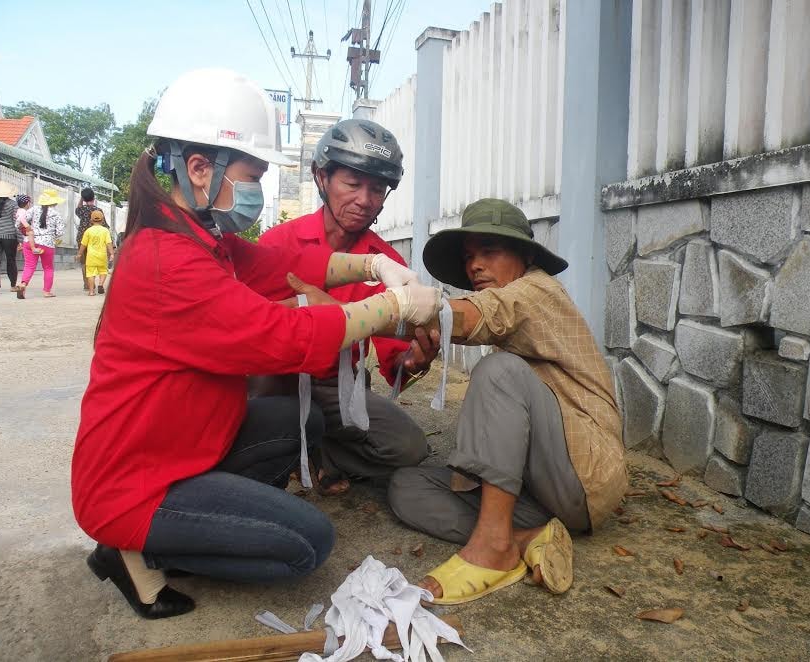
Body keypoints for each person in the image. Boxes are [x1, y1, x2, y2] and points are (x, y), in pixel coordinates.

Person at [71, 68, 441, 620]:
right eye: (252, 174)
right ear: (200, 168)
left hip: (180, 443)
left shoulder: (199, 233)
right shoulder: (166, 260)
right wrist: (388, 307)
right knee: (306, 544)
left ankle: (197, 521)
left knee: (305, 422)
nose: (257, 190)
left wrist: (371, 263)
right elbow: (280, 336)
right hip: (134, 481)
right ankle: (133, 547)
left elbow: (278, 264)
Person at [388, 198, 627, 605]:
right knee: (405, 487)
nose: (475, 266)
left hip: (585, 476)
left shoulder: (536, 289)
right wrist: (412, 356)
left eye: (489, 252)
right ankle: (525, 536)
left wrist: (372, 312)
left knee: (498, 373)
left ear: (526, 255)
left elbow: (473, 315)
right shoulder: (514, 297)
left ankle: (493, 550)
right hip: (541, 493)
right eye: (469, 257)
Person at [260, 119, 439, 495]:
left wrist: (414, 361)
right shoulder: (279, 243)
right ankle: (280, 457)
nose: (364, 199)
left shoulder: (386, 262)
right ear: (321, 177)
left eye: (377, 189)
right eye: (353, 184)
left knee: (409, 447)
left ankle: (320, 453)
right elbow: (246, 324)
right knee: (262, 411)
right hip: (272, 377)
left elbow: (396, 359)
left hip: (335, 386)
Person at [17, 189, 65, 299]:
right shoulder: (56, 214)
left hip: (30, 241)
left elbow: (19, 222)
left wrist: (27, 229)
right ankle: (46, 291)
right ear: (54, 202)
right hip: (47, 244)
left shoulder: (33, 209)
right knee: (48, 268)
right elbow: (60, 232)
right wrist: (52, 236)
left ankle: (23, 284)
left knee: (29, 265)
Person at [75, 187, 108, 290]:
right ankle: (99, 283)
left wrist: (82, 198)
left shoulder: (81, 210)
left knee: (84, 263)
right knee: (96, 262)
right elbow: (105, 225)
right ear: (94, 197)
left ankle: (88, 284)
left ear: (83, 199)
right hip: (96, 239)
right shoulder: (98, 211)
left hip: (82, 239)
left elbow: (78, 207)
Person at [76, 209, 113, 295]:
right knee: (103, 271)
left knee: (90, 273)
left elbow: (83, 244)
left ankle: (91, 291)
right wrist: (111, 253)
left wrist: (79, 254)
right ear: (102, 220)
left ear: (91, 220)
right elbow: (109, 243)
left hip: (91, 257)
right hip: (102, 256)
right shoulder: (105, 231)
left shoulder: (88, 231)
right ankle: (100, 284)